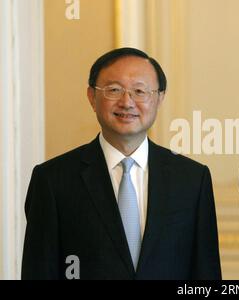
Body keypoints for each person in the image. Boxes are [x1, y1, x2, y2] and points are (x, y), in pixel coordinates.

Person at [22, 47, 221, 280]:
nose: (127, 102)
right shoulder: (53, 180)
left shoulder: (192, 179)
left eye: (139, 91)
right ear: (91, 97)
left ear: (159, 98)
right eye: (114, 90)